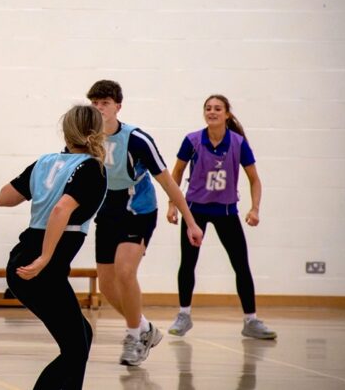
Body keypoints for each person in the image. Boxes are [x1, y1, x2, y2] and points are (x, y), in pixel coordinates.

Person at [87, 79, 204, 366]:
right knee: (106, 285)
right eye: (95, 103)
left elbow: (168, 182)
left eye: (105, 103)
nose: (100, 108)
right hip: (107, 209)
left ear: (118, 107)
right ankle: (144, 328)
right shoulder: (86, 138)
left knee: (125, 272)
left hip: (138, 209)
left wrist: (190, 222)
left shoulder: (137, 140)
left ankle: (133, 337)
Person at [0, 105, 107, 390]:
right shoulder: (92, 168)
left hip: (22, 261)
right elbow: (61, 210)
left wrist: (38, 185)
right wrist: (46, 257)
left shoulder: (45, 162)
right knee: (75, 349)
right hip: (40, 270)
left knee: (82, 336)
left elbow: (4, 198)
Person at [166, 94, 276, 340]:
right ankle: (184, 315)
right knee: (188, 262)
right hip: (195, 210)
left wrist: (255, 208)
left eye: (217, 108)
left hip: (226, 210)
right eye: (208, 108)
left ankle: (251, 320)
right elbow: (176, 172)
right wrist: (172, 205)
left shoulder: (238, 143)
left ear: (227, 114)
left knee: (240, 264)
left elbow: (254, 179)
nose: (212, 112)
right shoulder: (192, 140)